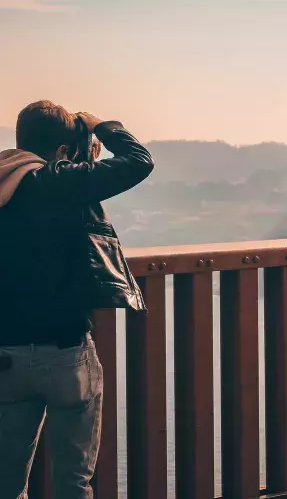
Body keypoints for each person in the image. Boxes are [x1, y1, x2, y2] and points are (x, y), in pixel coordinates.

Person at [0, 101, 154, 498]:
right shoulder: (61, 180)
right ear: (64, 149)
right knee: (73, 481)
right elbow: (139, 161)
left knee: (7, 481)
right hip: (67, 352)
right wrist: (101, 125)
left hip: (6, 356)